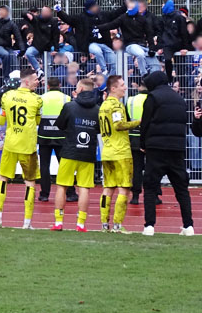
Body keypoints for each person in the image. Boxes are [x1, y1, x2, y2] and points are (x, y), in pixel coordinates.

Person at [140, 71, 194, 236]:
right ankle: (188, 226)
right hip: (176, 148)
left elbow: (145, 123)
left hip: (156, 148)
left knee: (150, 186)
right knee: (181, 188)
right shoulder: (179, 99)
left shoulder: (152, 98)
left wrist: (143, 144)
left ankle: (149, 226)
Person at [0, 68, 43, 229]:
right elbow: (38, 121)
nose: (38, 82)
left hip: (11, 143)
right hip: (28, 145)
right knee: (30, 182)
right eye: (35, 79)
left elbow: (0, 119)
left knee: (3, 178)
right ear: (26, 81)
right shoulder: (37, 100)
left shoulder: (7, 96)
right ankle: (27, 222)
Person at [51, 78, 100, 232]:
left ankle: (59, 222)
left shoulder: (69, 106)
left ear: (79, 88)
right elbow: (99, 129)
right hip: (88, 152)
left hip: (69, 150)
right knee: (84, 188)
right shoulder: (98, 109)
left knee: (62, 186)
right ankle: (81, 223)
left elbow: (60, 125)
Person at [98, 75, 141, 232]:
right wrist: (138, 122)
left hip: (107, 151)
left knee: (108, 188)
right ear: (113, 88)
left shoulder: (103, 105)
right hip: (121, 152)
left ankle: (104, 224)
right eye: (122, 85)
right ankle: (117, 225)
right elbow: (118, 125)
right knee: (124, 188)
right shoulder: (117, 106)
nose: (125, 87)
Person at [56, 0, 125, 75]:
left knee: (115, 63)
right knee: (97, 51)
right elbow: (68, 19)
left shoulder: (103, 15)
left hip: (105, 44)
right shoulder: (80, 18)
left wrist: (125, 6)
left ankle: (109, 80)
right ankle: (104, 69)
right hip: (91, 44)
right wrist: (59, 12)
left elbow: (115, 13)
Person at [37, 77, 71, 202]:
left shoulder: (41, 98)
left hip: (44, 135)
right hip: (61, 136)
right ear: (60, 85)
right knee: (64, 165)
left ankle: (44, 194)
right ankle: (70, 193)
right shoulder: (66, 98)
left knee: (44, 166)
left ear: (48, 86)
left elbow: (37, 115)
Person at [126, 80, 150, 205]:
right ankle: (154, 195)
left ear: (139, 86)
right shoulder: (152, 100)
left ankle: (135, 196)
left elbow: (126, 118)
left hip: (134, 137)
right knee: (152, 168)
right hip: (150, 137)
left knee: (136, 168)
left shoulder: (131, 100)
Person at [157, 0, 189, 82]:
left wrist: (185, 47)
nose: (162, 7)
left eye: (163, 4)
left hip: (179, 44)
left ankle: (182, 84)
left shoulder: (179, 17)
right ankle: (169, 79)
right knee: (167, 60)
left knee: (181, 66)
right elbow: (160, 33)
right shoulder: (162, 18)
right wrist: (159, 47)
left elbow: (184, 32)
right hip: (167, 45)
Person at [22, 6, 59, 76]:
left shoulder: (53, 21)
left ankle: (47, 83)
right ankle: (38, 70)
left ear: (50, 13)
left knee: (47, 68)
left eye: (47, 12)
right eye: (43, 11)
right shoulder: (36, 19)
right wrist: (27, 14)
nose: (45, 13)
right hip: (37, 46)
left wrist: (56, 49)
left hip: (47, 48)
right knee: (29, 53)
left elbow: (56, 35)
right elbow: (23, 14)